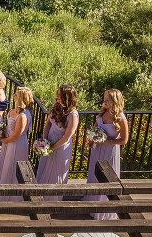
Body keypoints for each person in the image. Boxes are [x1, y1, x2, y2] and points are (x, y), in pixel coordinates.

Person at [84, 89, 128, 219]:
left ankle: (104, 208)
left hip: (110, 152)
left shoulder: (121, 118)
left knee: (107, 177)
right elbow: (94, 129)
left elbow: (124, 140)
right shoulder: (102, 114)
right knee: (94, 174)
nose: (104, 102)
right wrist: (92, 140)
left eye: (107, 100)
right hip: (97, 150)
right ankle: (92, 203)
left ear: (115, 101)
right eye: (104, 99)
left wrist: (105, 141)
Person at [36, 85, 79, 201]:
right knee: (44, 170)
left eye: (60, 94)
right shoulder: (56, 107)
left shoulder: (73, 115)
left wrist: (51, 148)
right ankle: (39, 199)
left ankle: (52, 202)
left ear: (67, 97)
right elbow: (48, 124)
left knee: (55, 174)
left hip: (60, 148)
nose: (57, 96)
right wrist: (44, 141)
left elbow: (66, 137)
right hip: (48, 145)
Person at [0, 87, 34, 201]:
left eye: (16, 95)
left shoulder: (23, 116)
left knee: (12, 168)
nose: (13, 96)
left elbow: (17, 135)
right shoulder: (14, 110)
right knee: (5, 166)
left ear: (21, 98)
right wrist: (0, 131)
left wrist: (4, 140)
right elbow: (9, 127)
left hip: (16, 145)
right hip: (8, 142)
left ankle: (12, 197)